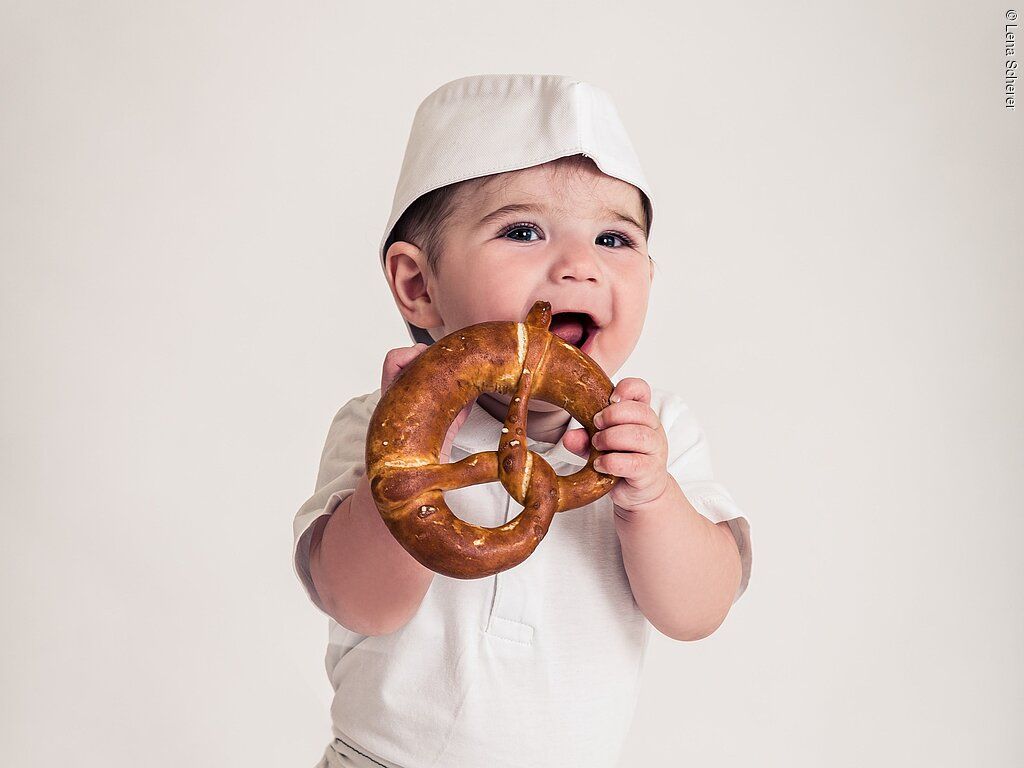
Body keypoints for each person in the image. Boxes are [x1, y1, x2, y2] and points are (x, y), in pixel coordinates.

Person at [292, 73, 753, 768]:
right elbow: (360, 604)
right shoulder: (377, 425)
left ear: (650, 279)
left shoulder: (653, 432)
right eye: (523, 230)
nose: (579, 266)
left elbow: (698, 612)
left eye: (614, 239)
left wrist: (652, 500)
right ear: (419, 285)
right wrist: (405, 468)